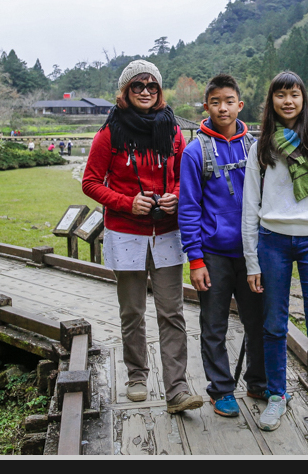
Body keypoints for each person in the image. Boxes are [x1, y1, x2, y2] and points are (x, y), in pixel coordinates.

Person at [81, 60, 203, 415]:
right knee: (132, 310)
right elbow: (90, 181)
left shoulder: (174, 131)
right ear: (126, 91)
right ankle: (136, 375)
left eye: (152, 85)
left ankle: (177, 388)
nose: (146, 91)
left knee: (172, 311)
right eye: (138, 86)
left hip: (167, 232)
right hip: (125, 233)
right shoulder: (109, 134)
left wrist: (176, 195)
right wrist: (125, 203)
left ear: (160, 91)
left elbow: (185, 177)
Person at [242, 71, 308, 443]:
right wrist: (252, 260)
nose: (288, 101)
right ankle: (276, 395)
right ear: (271, 101)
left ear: (304, 99)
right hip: (272, 242)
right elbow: (249, 207)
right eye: (280, 95)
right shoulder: (261, 147)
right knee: (274, 325)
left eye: (295, 94)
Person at [178, 74, 267, 417]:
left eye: (229, 101)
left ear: (240, 105)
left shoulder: (255, 147)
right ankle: (220, 389)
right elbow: (188, 209)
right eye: (215, 102)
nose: (223, 108)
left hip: (251, 253)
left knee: (257, 320)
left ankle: (258, 382)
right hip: (214, 254)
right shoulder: (194, 151)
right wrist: (195, 259)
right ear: (206, 107)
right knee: (213, 324)